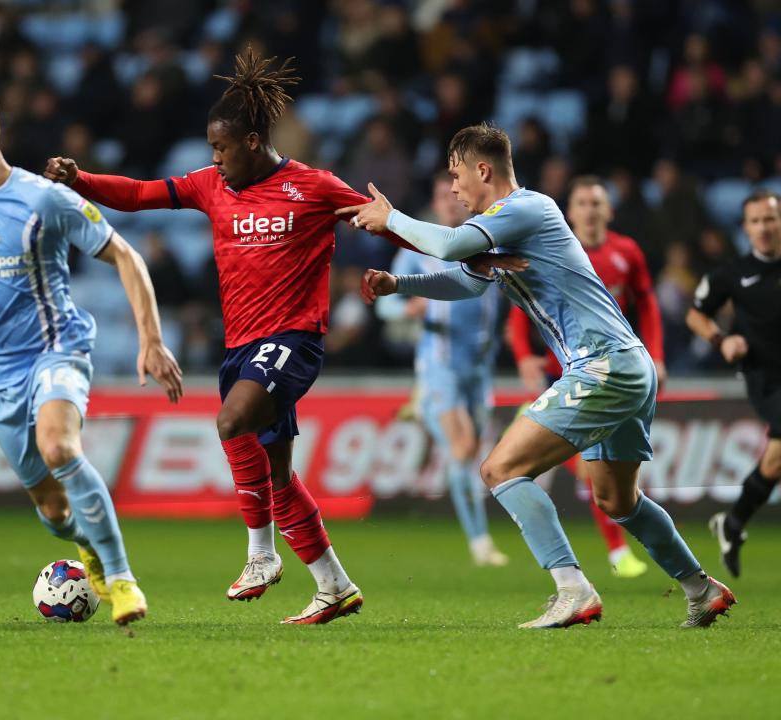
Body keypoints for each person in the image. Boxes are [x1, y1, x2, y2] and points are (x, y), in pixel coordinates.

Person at [44, 49, 516, 624]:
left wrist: (468, 249)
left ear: (250, 142)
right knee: (278, 477)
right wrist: (83, 180)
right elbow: (141, 195)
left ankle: (261, 554)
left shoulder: (312, 187)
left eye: (221, 148)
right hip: (243, 346)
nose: (213, 160)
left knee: (230, 422)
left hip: (294, 339)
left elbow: (382, 221)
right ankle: (334, 587)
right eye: (210, 149)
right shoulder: (208, 186)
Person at [346, 123, 736, 629]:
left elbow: (448, 245)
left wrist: (392, 219)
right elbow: (467, 280)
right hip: (623, 365)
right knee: (618, 499)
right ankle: (701, 589)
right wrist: (401, 283)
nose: (454, 188)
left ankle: (572, 589)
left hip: (603, 364)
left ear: (482, 169)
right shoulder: (506, 227)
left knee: (500, 470)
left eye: (457, 175)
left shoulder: (528, 208)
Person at [0, 87, 183, 626]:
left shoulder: (43, 197)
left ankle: (122, 582)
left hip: (57, 349)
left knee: (58, 445)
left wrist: (151, 339)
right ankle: (88, 546)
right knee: (53, 511)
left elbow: (125, 254)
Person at [508, 176, 665, 579]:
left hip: (613, 373)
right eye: (583, 203)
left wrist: (657, 355)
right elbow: (518, 310)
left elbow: (646, 305)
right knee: (589, 473)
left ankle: (654, 568)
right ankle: (617, 555)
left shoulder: (626, 252)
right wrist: (525, 356)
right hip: (564, 375)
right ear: (570, 212)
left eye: (598, 203)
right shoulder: (558, 249)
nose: (591, 210)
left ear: (608, 210)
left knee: (610, 481)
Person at [376, 172, 507, 567]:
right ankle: (480, 543)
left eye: (454, 194)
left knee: (472, 454)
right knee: (463, 447)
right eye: (441, 196)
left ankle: (421, 406)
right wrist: (407, 306)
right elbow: (383, 305)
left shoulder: (485, 243)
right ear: (434, 203)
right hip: (440, 365)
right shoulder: (416, 250)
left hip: (479, 368)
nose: (449, 201)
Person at [687, 189, 781, 577]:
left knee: (775, 461)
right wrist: (722, 339)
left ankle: (733, 522)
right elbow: (696, 315)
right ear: (745, 228)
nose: (763, 227)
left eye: (770, 219)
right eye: (756, 221)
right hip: (765, 377)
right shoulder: (731, 275)